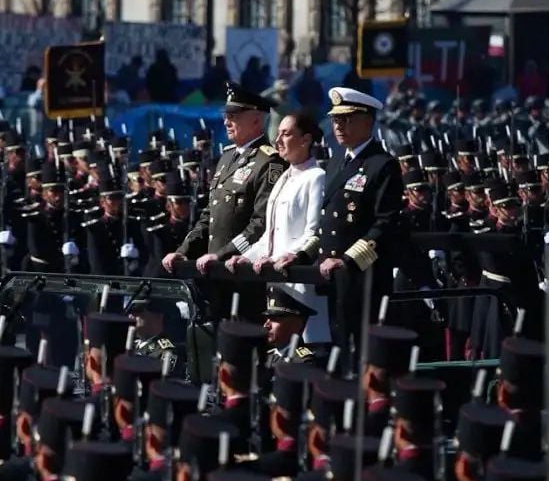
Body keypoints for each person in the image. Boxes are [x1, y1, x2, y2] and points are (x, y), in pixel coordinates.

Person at [163, 84, 285, 326]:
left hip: (243, 274)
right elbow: (209, 215)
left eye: (234, 116)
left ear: (256, 120)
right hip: (214, 274)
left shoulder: (269, 161)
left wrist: (221, 255)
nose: (227, 122)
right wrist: (183, 251)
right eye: (226, 116)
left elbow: (261, 223)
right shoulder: (227, 157)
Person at [302, 86, 405, 372]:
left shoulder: (382, 165)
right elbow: (327, 220)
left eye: (347, 120)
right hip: (332, 277)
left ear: (367, 121)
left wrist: (347, 260)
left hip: (363, 278)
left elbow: (384, 224)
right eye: (336, 120)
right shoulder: (338, 161)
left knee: (364, 355)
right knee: (337, 351)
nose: (339, 126)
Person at [227, 110, 329, 344]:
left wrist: (285, 257)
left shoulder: (316, 177)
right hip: (275, 281)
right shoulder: (283, 178)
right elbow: (269, 237)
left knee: (306, 351)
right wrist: (247, 257)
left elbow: (312, 233)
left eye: (286, 134)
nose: (277, 140)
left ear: (305, 140)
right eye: (278, 133)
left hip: (300, 283)